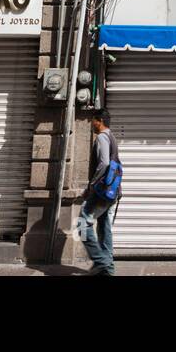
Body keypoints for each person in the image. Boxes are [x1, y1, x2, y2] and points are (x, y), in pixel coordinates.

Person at [78, 109, 121, 276]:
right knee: (104, 227)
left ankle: (100, 262)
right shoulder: (112, 137)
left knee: (82, 224)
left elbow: (104, 163)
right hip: (112, 191)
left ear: (100, 121)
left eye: (93, 120)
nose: (91, 124)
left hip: (101, 191)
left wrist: (92, 185)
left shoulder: (102, 137)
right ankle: (108, 268)